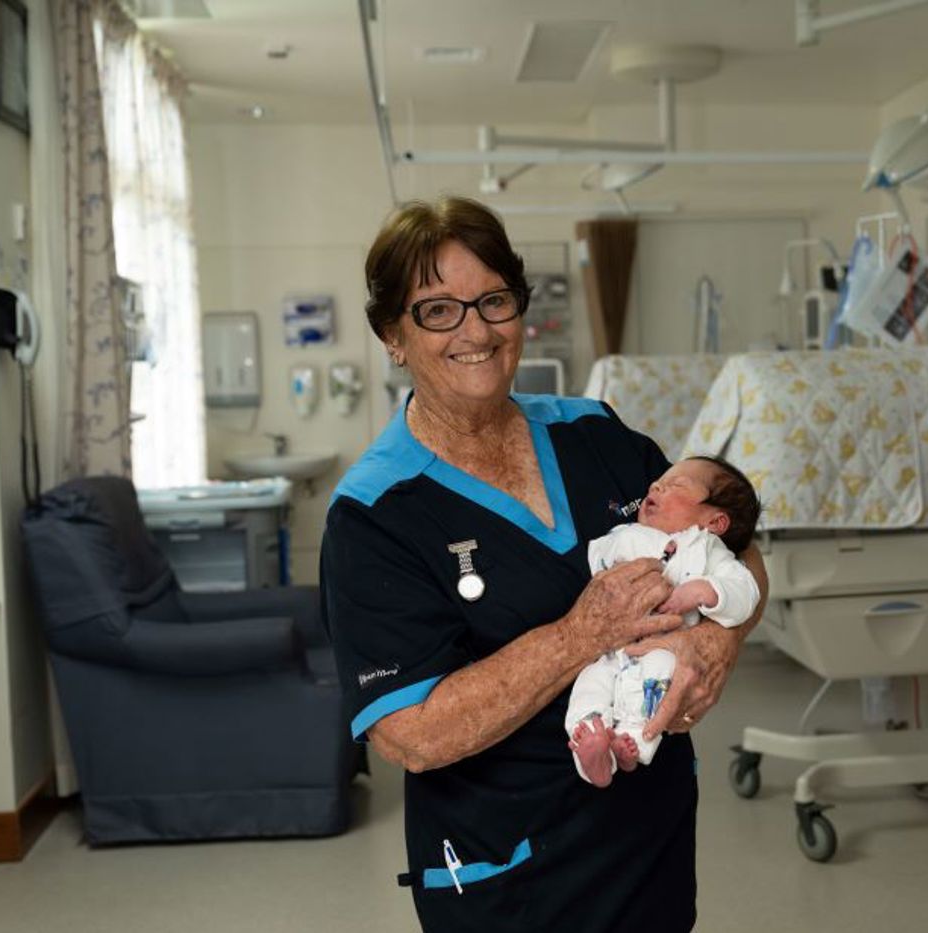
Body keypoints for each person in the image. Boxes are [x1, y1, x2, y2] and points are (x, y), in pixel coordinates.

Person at [320, 195, 767, 933]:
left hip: (647, 842)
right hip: (509, 876)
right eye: (438, 310)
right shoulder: (374, 514)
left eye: (493, 300)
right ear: (392, 335)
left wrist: (715, 643)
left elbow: (740, 548)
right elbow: (411, 734)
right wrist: (580, 634)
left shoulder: (596, 434)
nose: (475, 330)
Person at [566, 456, 761, 787]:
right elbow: (594, 559)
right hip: (610, 651)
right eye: (658, 482)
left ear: (715, 522)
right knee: (590, 684)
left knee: (656, 681)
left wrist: (707, 591)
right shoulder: (626, 535)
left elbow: (746, 592)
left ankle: (633, 744)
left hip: (664, 647)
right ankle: (591, 744)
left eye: (676, 485)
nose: (656, 486)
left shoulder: (707, 549)